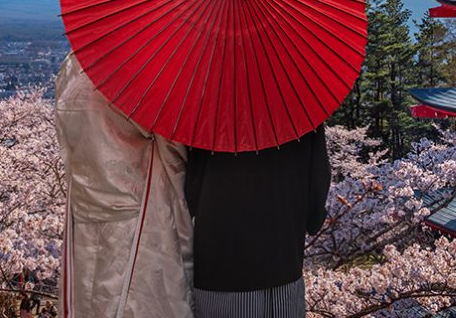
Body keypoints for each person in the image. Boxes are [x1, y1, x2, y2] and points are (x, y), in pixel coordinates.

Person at [54, 52, 195, 318]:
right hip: (135, 205)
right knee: (132, 298)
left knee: (89, 297)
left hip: (86, 203)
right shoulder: (138, 76)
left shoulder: (72, 70)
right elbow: (172, 149)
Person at [184, 125, 330, 317]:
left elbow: (189, 194)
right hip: (284, 258)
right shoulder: (301, 112)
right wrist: (311, 219)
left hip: (222, 264)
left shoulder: (207, 114)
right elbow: (319, 181)